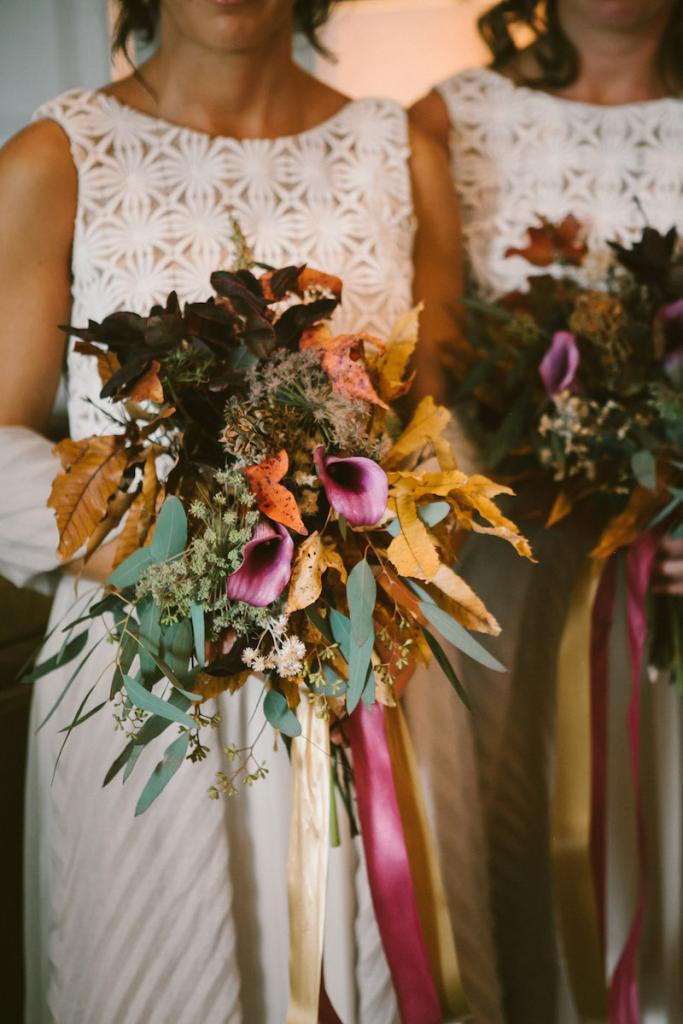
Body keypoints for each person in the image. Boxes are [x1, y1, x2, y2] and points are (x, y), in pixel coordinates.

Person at [0, 2, 475, 1022]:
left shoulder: (398, 149)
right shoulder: (57, 156)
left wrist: (357, 536)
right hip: (151, 666)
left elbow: (441, 427)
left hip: (366, 663)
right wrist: (187, 551)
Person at [411, 1, 683, 1021]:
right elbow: (415, 361)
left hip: (669, 582)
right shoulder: (444, 122)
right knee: (521, 836)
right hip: (508, 573)